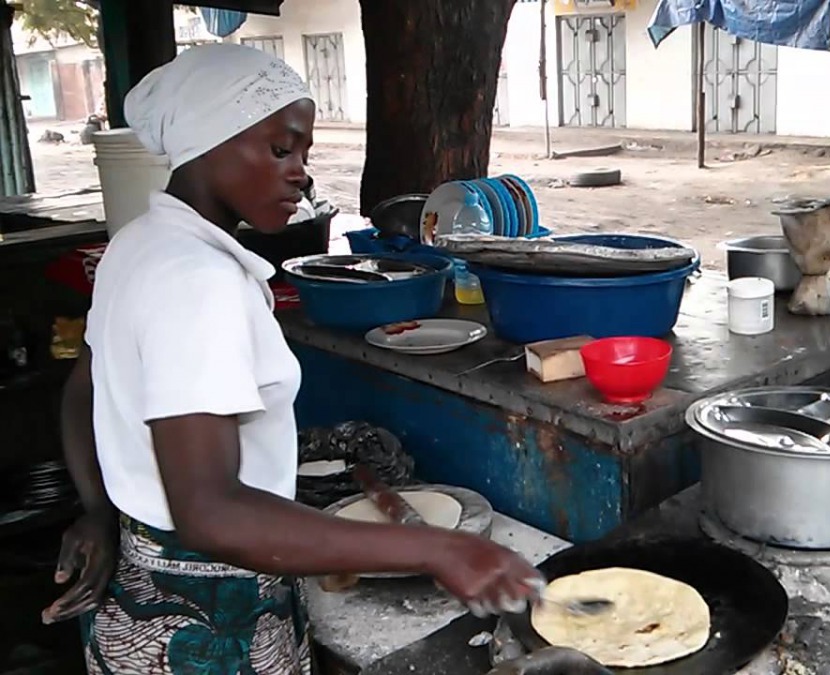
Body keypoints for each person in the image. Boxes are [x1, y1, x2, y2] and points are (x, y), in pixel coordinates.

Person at [42, 44, 543, 673]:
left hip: (137, 594)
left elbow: (83, 389)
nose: (302, 172)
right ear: (208, 142)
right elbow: (210, 513)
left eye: (303, 153)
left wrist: (100, 509)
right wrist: (435, 549)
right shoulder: (198, 282)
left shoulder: (137, 245)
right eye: (282, 148)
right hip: (212, 620)